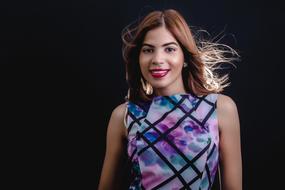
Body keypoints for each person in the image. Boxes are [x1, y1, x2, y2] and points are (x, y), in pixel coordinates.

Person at [98, 9, 242, 190]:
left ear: (185, 57)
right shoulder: (124, 115)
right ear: (139, 58)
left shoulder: (221, 108)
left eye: (170, 49)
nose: (157, 59)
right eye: (148, 50)